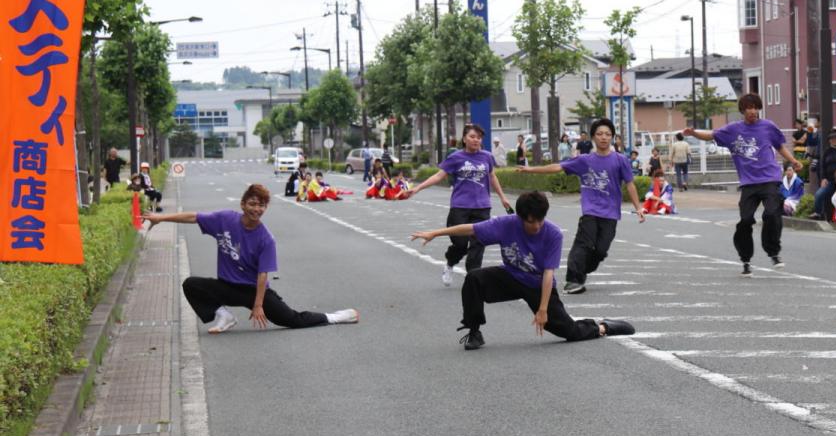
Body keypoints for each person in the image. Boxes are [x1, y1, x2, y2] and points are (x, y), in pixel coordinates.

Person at [410, 191, 636, 350]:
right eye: (530, 222)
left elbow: (549, 274)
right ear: (520, 217)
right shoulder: (506, 224)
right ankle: (474, 331)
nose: (536, 226)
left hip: (538, 284)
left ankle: (602, 327)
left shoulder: (553, 234)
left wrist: (543, 310)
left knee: (568, 332)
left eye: (539, 220)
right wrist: (434, 233)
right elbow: (469, 228)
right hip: (511, 275)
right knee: (474, 279)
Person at [146, 184, 358, 333]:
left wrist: (258, 305)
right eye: (253, 204)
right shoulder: (225, 219)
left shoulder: (266, 239)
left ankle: (335, 317)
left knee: (292, 320)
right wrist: (160, 218)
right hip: (227, 286)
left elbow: (262, 275)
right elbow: (193, 217)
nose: (257, 209)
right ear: (243, 204)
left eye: (262, 205)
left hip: (254, 292)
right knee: (191, 284)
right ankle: (223, 315)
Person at [685, 93, 805, 275]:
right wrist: (693, 133)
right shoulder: (733, 130)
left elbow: (780, 145)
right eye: (749, 108)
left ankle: (773, 251)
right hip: (749, 183)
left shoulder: (768, 126)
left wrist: (793, 160)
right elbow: (711, 135)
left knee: (772, 214)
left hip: (770, 179)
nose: (753, 111)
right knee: (746, 221)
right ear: (742, 110)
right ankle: (746, 259)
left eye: (756, 107)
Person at [522, 118, 644, 294]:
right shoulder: (584, 160)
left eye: (608, 134)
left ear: (612, 137)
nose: (604, 137)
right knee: (584, 243)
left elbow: (630, 184)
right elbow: (558, 167)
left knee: (601, 250)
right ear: (593, 137)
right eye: (600, 134)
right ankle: (573, 279)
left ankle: (582, 270)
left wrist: (638, 207)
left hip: (610, 213)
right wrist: (531, 170)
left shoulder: (620, 160)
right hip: (590, 210)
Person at [407, 124, 512, 287]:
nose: (476, 140)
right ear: (464, 139)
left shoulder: (486, 156)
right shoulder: (456, 157)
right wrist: (418, 188)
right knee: (460, 244)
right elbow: (439, 175)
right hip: (460, 207)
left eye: (478, 137)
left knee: (478, 243)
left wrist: (502, 197)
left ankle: (473, 277)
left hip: (482, 207)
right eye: (472, 136)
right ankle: (450, 263)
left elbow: (492, 177)